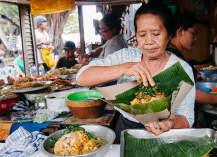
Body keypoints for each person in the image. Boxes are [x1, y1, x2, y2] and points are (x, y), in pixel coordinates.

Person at [76, 4, 195, 143]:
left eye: (156, 34)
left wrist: (170, 123)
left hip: (164, 137)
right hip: (126, 129)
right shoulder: (126, 57)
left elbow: (187, 118)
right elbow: (82, 76)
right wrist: (122, 68)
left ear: (169, 35)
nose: (149, 41)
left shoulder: (182, 69)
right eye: (142, 35)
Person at [167, 11, 217, 104]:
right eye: (193, 33)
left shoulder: (174, 54)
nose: (196, 38)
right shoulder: (172, 57)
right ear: (181, 31)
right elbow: (187, 93)